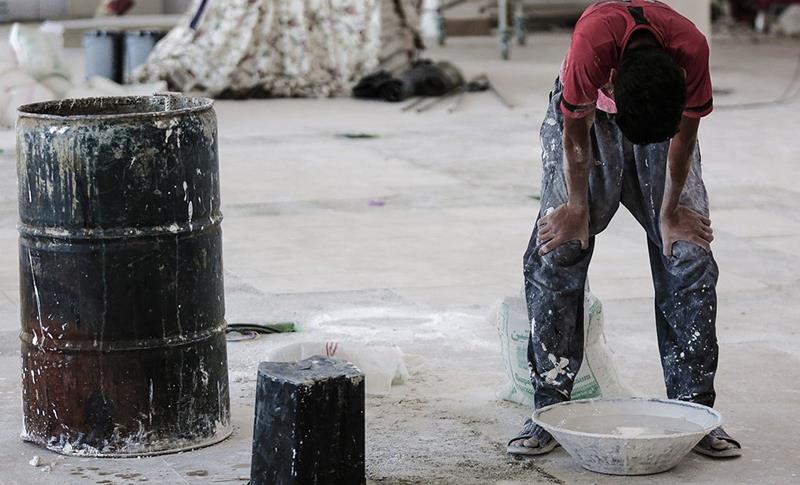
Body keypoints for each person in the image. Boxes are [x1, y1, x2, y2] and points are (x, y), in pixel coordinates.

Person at [507, 0, 741, 458]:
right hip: (588, 127)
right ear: (610, 81)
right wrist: (576, 207)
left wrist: (671, 210)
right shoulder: (591, 43)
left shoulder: (691, 48)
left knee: (689, 255)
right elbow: (575, 135)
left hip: (660, 122)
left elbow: (685, 136)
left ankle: (695, 411)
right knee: (558, 249)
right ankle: (549, 408)